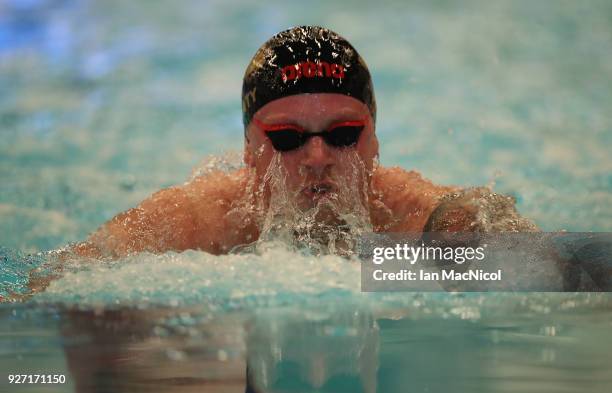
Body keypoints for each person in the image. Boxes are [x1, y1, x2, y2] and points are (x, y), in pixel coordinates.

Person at [65, 25, 535, 261]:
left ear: (374, 140)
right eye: (287, 138)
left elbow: (579, 272)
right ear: (249, 149)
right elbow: (49, 287)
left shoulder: (415, 221)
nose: (317, 158)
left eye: (344, 135)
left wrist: (483, 227)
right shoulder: (196, 223)